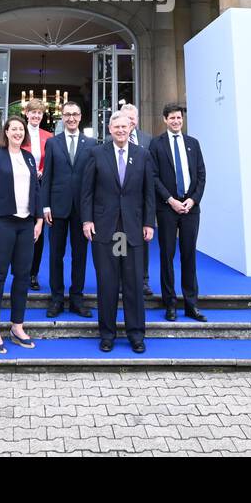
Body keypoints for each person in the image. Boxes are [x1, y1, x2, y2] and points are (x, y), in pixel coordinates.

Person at [80, 111, 155, 353]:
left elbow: (148, 193)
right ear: (110, 130)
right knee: (108, 283)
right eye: (116, 127)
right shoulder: (97, 153)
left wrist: (148, 223)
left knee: (133, 283)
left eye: (124, 126)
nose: (121, 130)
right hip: (106, 229)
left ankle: (136, 334)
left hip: (131, 230)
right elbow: (87, 191)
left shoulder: (142, 155)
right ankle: (107, 334)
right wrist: (87, 221)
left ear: (131, 128)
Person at [0, 114, 43, 353]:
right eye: (13, 128)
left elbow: (36, 190)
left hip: (26, 224)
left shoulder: (28, 158)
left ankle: (17, 325)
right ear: (5, 132)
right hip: (2, 223)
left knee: (23, 276)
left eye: (20, 129)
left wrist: (38, 220)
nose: (17, 132)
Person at [149, 104, 208, 322]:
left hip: (191, 209)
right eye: (172, 118)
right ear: (165, 120)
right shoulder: (156, 144)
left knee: (189, 255)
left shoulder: (193, 143)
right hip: (167, 208)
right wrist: (171, 200)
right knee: (167, 255)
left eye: (179, 118)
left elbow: (201, 175)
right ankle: (170, 303)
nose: (176, 122)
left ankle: (191, 304)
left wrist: (192, 200)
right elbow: (153, 177)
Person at [40, 101, 93, 319]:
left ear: (81, 117)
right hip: (57, 209)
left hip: (82, 209)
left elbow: (93, 180)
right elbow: (47, 176)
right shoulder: (53, 143)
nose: (71, 118)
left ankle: (77, 298)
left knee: (80, 256)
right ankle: (56, 298)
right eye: (67, 114)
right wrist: (45, 205)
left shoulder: (91, 144)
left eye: (75, 114)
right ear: (62, 117)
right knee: (56, 255)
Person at [120, 102, 155, 296]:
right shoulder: (111, 138)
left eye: (133, 118)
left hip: (140, 202)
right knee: (121, 240)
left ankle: (143, 280)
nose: (130, 122)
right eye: (127, 118)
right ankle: (120, 279)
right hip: (119, 203)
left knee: (142, 242)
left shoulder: (147, 140)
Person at [23, 98, 52, 290]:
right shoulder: (17, 131)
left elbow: (50, 161)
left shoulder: (48, 136)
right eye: (33, 112)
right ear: (26, 113)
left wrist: (42, 170)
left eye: (39, 113)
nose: (36, 116)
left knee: (38, 233)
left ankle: (33, 274)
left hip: (39, 187)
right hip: (20, 185)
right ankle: (21, 271)